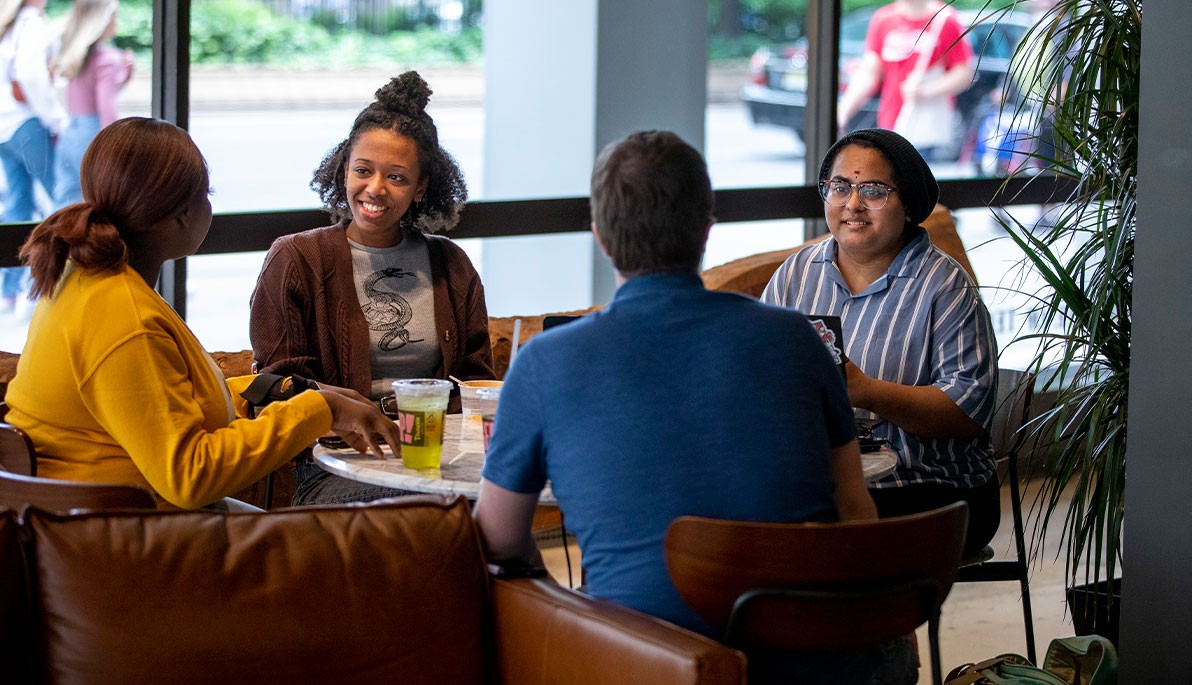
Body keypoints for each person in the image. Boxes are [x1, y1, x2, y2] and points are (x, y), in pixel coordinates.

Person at [474, 130, 883, 684]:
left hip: (642, 662)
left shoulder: (546, 364)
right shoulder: (799, 341)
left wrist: (568, 609)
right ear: (706, 231)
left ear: (601, 238)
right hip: (814, 663)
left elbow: (497, 540)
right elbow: (855, 515)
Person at [4, 117, 401, 510]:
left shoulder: (91, 281)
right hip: (113, 539)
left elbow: (158, 400)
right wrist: (320, 409)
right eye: (206, 192)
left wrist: (287, 393)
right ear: (180, 214)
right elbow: (190, 477)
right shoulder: (123, 317)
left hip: (98, 521)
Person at [249, 71, 495, 506]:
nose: (375, 189)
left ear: (421, 188)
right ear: (344, 170)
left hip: (435, 459)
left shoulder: (451, 265)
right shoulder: (296, 260)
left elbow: (476, 382)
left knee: (491, 507)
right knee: (427, 513)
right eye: (363, 170)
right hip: (333, 466)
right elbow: (281, 389)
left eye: (397, 177)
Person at [760, 128, 999, 558]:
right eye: (840, 187)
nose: (853, 204)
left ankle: (877, 622)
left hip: (932, 489)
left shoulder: (945, 287)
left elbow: (968, 412)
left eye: (873, 190)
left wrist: (865, 391)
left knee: (811, 536)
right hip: (826, 478)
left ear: (907, 204)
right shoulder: (796, 275)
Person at [836, 0, 974, 161]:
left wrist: (927, 90)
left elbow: (964, 73)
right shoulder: (883, 18)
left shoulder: (945, 18)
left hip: (924, 126)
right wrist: (843, 112)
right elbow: (869, 73)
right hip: (890, 124)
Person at [0, 0, 66, 312]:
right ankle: (49, 287)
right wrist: (55, 119)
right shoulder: (32, 24)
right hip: (27, 124)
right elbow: (33, 77)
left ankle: (9, 293)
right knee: (63, 201)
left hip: (4, 127)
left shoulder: (8, 23)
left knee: (18, 206)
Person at [51, 0, 135, 208]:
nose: (116, 21)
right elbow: (106, 108)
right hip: (94, 133)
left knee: (66, 200)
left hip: (71, 132)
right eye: (113, 16)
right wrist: (115, 145)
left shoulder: (75, 55)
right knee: (97, 202)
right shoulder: (108, 59)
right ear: (103, 20)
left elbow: (82, 95)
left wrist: (124, 78)